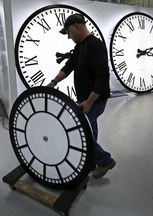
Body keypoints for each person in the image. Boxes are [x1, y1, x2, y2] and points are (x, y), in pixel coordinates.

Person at [47, 13, 116, 179]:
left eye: (69, 32)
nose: (69, 37)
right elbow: (69, 66)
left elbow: (102, 77)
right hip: (86, 99)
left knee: (82, 132)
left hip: (95, 99)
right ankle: (91, 162)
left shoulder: (95, 45)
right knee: (90, 129)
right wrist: (53, 82)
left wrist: (89, 102)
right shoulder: (80, 47)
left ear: (77, 26)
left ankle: (105, 160)